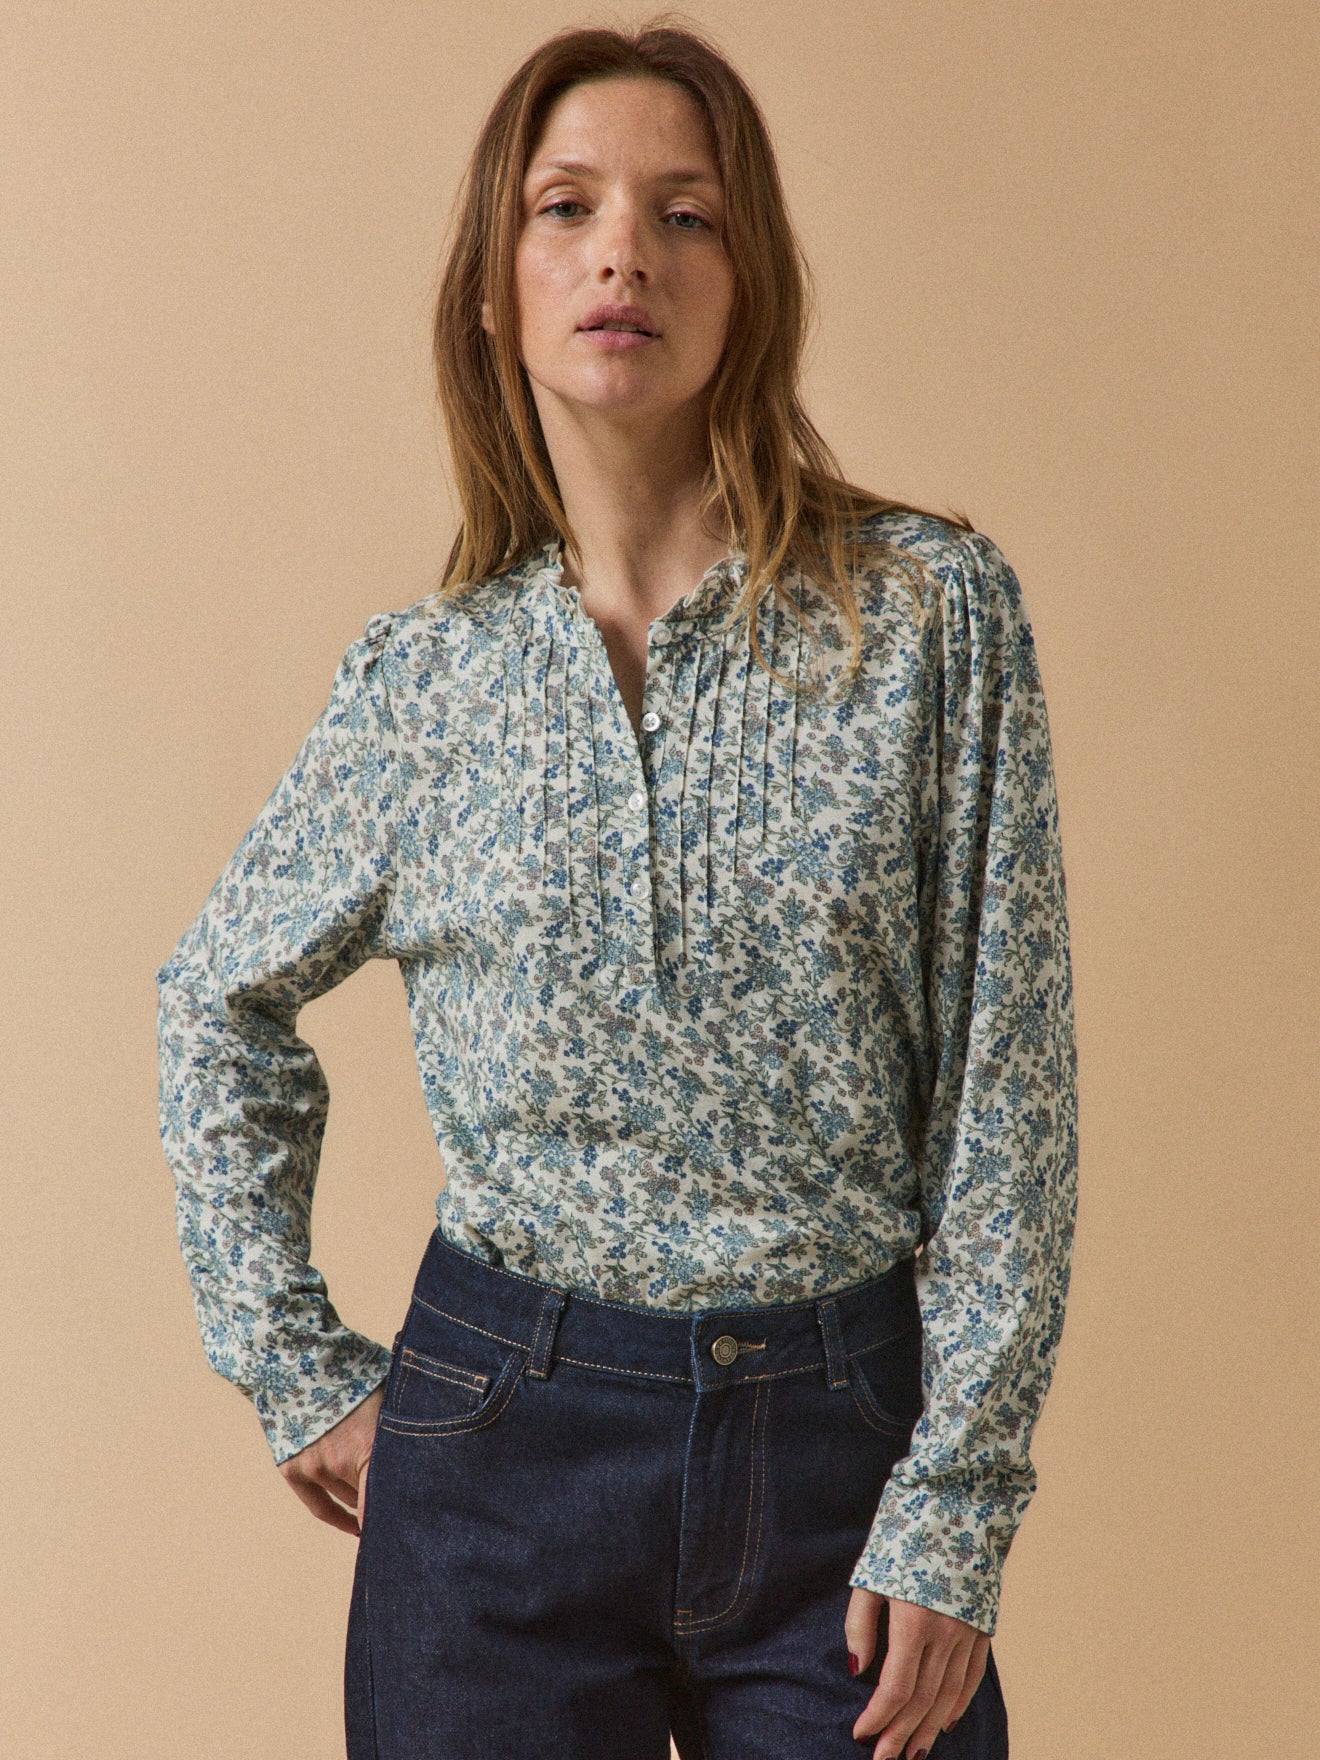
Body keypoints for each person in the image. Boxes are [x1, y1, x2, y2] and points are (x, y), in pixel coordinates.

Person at [155, 19, 1078, 1760]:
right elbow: (216, 999)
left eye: (686, 213)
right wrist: (292, 1362)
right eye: (565, 207)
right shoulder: (425, 683)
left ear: (752, 282)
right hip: (497, 1459)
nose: (623, 255)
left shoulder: (928, 617)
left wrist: (958, 1498)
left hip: (847, 1464)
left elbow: (1006, 1091)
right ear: (492, 291)